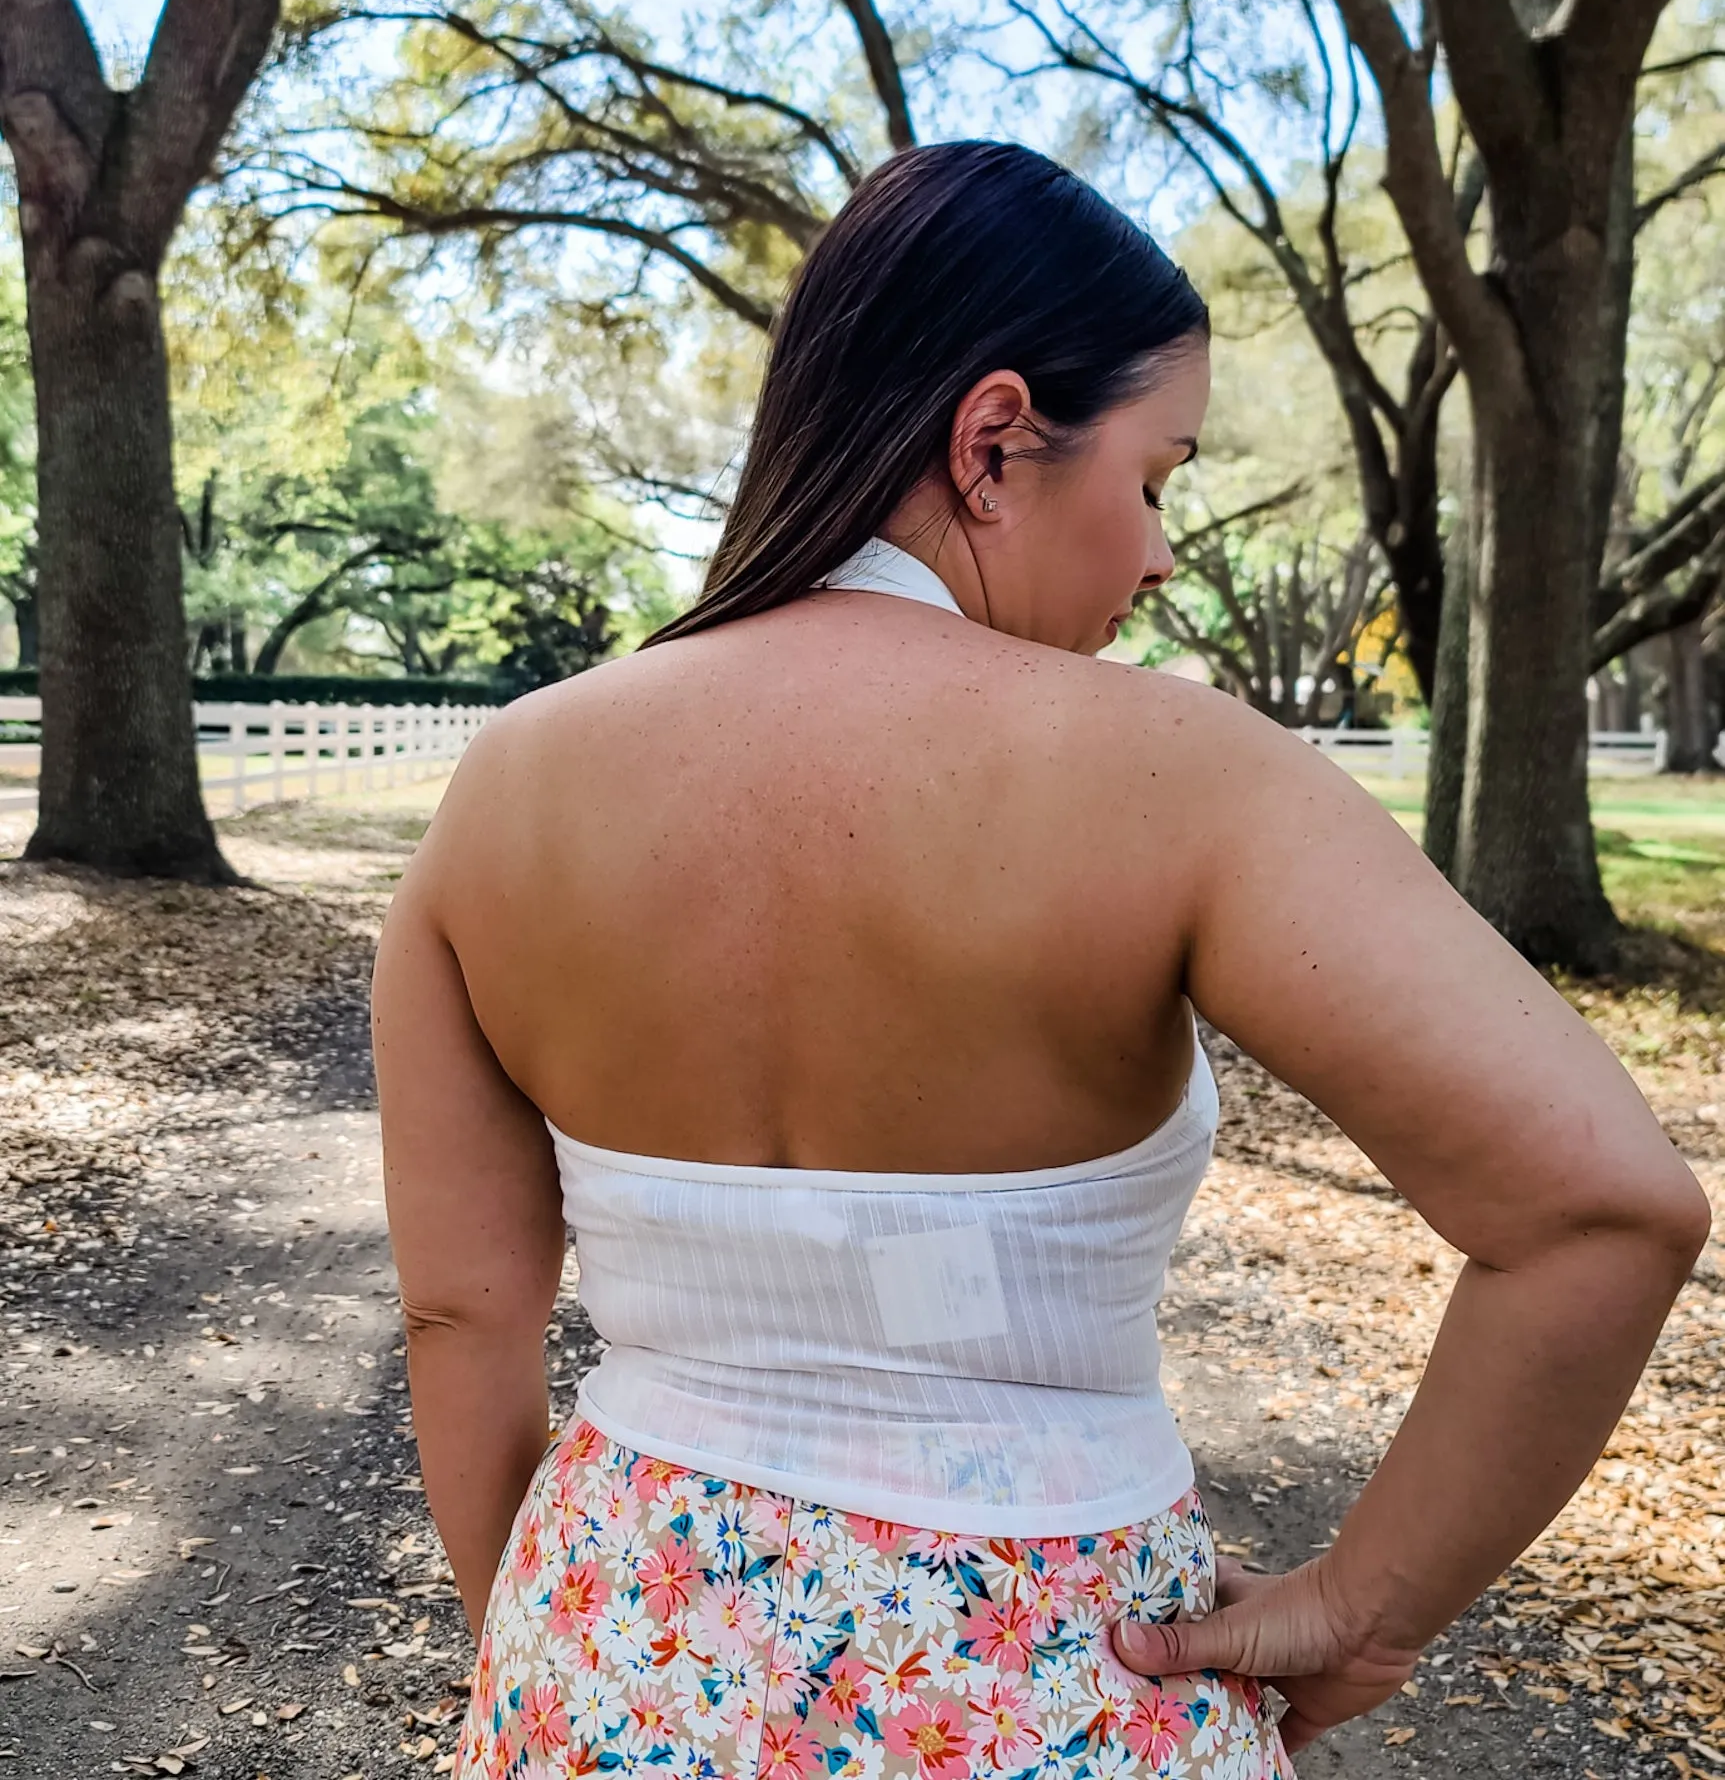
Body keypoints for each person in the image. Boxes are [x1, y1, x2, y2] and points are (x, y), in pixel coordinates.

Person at [373, 141, 1709, 1779]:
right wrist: (1367, 1609)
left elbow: (460, 1313)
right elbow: (1602, 1209)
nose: (1157, 554)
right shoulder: (1178, 777)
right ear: (997, 440)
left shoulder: (509, 782)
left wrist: (541, 1646)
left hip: (601, 1646)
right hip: (1050, 1689)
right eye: (1156, 479)